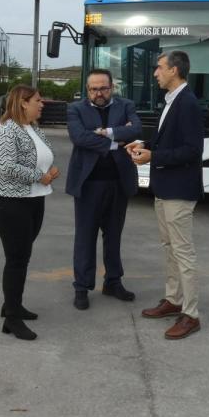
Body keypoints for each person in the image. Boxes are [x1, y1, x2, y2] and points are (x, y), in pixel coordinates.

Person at [127, 51, 204, 340]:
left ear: (174, 70)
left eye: (159, 68)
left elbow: (193, 151)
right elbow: (166, 140)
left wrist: (153, 156)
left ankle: (191, 314)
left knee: (183, 251)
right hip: (165, 187)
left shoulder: (188, 104)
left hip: (180, 190)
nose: (155, 73)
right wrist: (143, 144)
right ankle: (173, 300)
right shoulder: (172, 100)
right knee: (169, 247)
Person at [0, 85, 60, 341]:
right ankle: (12, 319)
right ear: (22, 103)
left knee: (22, 255)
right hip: (8, 200)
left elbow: (39, 157)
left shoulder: (32, 128)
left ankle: (11, 305)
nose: (43, 104)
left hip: (33, 198)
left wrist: (48, 172)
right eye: (38, 100)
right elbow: (6, 167)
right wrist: (42, 176)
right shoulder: (5, 131)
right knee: (17, 258)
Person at [66, 69, 142, 310]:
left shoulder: (126, 105)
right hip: (88, 184)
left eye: (103, 88)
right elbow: (79, 138)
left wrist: (107, 132)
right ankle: (82, 286)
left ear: (112, 87)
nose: (99, 93)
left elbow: (137, 129)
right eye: (94, 89)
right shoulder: (75, 109)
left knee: (114, 236)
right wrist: (117, 140)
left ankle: (113, 281)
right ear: (87, 90)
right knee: (85, 237)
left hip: (118, 183)